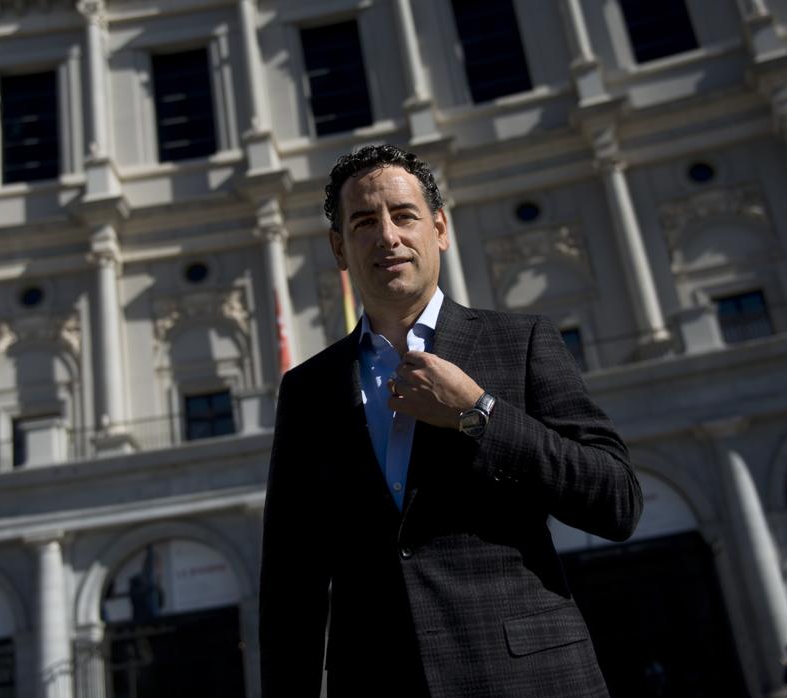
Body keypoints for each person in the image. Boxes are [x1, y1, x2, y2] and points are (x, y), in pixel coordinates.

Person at [258, 144, 643, 697]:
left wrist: (479, 413)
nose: (387, 236)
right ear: (340, 249)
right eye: (364, 221)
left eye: (404, 215)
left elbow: (617, 501)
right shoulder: (308, 391)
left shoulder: (523, 342)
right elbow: (290, 583)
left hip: (529, 678)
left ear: (439, 228)